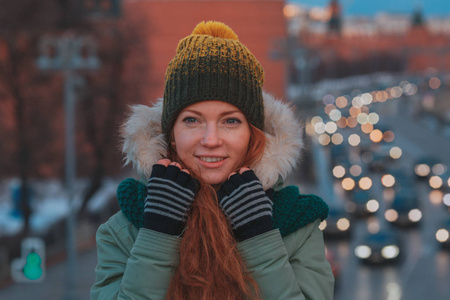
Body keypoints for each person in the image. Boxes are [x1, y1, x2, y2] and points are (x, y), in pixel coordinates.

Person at [91, 21, 334, 300]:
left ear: (253, 134)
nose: (210, 139)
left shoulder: (296, 224)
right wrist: (157, 231)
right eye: (192, 120)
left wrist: (259, 236)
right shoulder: (125, 228)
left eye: (230, 121)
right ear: (171, 134)